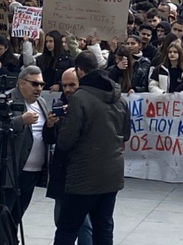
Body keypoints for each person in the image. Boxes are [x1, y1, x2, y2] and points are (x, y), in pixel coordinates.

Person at [53, 51, 131, 245]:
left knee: (67, 229)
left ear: (79, 71)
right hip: (112, 174)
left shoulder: (81, 98)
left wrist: (61, 123)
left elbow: (66, 141)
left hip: (83, 176)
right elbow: (126, 134)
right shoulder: (119, 97)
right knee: (103, 227)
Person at [0, 65, 50, 223]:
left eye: (41, 84)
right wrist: (20, 121)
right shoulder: (4, 99)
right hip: (8, 171)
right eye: (34, 84)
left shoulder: (42, 103)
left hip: (32, 172)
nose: (38, 88)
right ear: (21, 83)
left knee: (15, 218)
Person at [43, 68, 93, 245]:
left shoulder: (88, 105)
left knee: (84, 222)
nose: (68, 89)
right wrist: (49, 125)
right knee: (60, 219)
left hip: (81, 172)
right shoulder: (59, 105)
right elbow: (50, 139)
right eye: (64, 85)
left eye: (72, 85)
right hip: (62, 172)